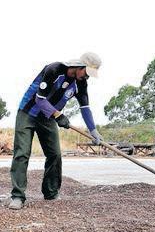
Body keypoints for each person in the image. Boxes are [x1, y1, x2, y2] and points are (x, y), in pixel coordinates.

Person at [8, 52, 103, 209]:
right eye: (87, 73)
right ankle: (17, 196)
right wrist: (58, 115)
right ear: (80, 66)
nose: (87, 77)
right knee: (22, 153)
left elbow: (85, 107)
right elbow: (40, 99)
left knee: (55, 155)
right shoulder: (54, 69)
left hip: (48, 118)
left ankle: (50, 193)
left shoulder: (81, 83)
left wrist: (93, 131)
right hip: (28, 113)